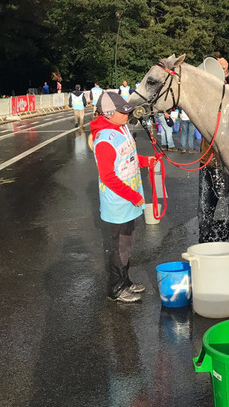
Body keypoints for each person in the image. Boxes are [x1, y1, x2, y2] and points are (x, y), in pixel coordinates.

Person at [90, 91, 156, 302]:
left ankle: (125, 281)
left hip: (129, 200)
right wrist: (132, 195)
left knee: (128, 244)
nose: (127, 114)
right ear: (109, 114)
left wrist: (147, 161)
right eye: (123, 111)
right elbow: (108, 176)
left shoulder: (121, 128)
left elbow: (129, 158)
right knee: (120, 247)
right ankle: (116, 289)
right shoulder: (104, 141)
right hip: (119, 203)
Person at [198, 56, 229, 244]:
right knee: (206, 207)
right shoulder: (203, 94)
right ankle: (205, 244)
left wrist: (227, 74)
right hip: (208, 160)